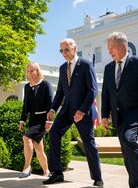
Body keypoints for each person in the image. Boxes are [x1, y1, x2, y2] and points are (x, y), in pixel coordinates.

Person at [101, 32, 138, 188]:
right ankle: (134, 184)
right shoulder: (108, 68)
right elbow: (106, 94)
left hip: (136, 113)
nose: (109, 51)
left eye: (111, 48)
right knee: (126, 151)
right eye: (108, 48)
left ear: (123, 46)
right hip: (118, 116)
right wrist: (104, 115)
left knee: (129, 139)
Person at [43, 38, 103, 187]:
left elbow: (92, 90)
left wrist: (82, 111)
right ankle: (57, 173)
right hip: (67, 111)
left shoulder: (86, 65)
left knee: (89, 143)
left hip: (83, 112)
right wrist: (52, 109)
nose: (64, 53)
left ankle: (98, 178)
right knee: (54, 133)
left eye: (67, 50)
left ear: (75, 49)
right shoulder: (63, 68)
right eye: (61, 51)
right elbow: (61, 92)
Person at [18, 62, 52, 178]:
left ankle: (27, 167)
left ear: (38, 71)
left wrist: (49, 121)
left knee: (26, 137)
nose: (30, 73)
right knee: (38, 147)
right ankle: (47, 171)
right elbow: (25, 105)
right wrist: (22, 120)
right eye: (28, 71)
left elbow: (50, 104)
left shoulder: (45, 84)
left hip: (42, 120)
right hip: (32, 119)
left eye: (33, 70)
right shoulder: (27, 87)